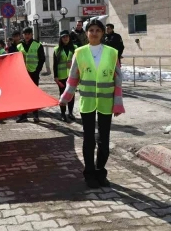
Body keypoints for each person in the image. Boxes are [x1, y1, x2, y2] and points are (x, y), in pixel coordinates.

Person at [59, 19, 125, 189]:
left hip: (106, 103)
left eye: (98, 30)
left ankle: (100, 171)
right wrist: (66, 97)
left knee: (104, 139)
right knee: (89, 140)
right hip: (87, 103)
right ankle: (89, 174)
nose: (94, 33)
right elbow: (73, 77)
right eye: (91, 30)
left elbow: (117, 80)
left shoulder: (112, 53)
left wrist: (118, 103)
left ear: (103, 33)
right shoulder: (79, 52)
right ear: (87, 33)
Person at [16, 27, 46, 123]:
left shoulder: (38, 45)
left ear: (32, 34)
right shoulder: (19, 46)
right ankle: (23, 115)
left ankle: (35, 115)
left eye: (29, 34)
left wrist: (37, 71)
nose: (27, 36)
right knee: (23, 95)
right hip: (23, 74)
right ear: (23, 35)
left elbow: (42, 59)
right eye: (25, 34)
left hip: (34, 73)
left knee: (34, 94)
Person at [53, 30, 76, 122]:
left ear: (69, 38)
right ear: (61, 38)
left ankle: (70, 113)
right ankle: (63, 113)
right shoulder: (56, 49)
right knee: (62, 95)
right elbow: (55, 64)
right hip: (61, 76)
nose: (65, 38)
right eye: (63, 37)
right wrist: (56, 77)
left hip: (72, 75)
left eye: (67, 36)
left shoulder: (75, 48)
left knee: (71, 95)